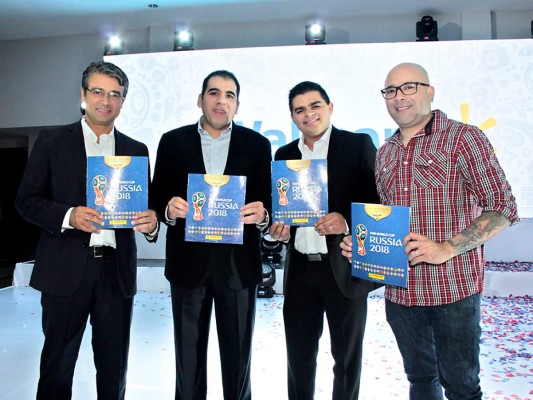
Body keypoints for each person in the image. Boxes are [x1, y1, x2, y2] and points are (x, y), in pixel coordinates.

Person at [341, 62, 519, 400]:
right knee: (420, 381)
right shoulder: (386, 152)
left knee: (462, 387)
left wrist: (447, 248)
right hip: (401, 294)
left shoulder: (464, 138)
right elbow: (385, 218)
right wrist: (361, 243)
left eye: (408, 87)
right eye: (390, 90)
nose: (398, 97)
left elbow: (503, 207)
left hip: (452, 291)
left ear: (429, 91)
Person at [15, 61, 159, 400]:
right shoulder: (52, 141)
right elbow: (27, 200)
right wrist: (69, 215)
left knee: (113, 368)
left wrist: (151, 223)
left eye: (115, 94)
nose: (105, 101)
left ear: (123, 101)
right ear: (83, 94)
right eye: (97, 92)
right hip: (65, 270)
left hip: (115, 272)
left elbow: (147, 210)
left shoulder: (136, 150)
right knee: (57, 366)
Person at [151, 70, 271, 400]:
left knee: (238, 361)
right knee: (187, 361)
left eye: (229, 95)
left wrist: (263, 214)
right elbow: (157, 194)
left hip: (239, 268)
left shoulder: (257, 144)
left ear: (237, 104)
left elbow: (269, 200)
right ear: (200, 100)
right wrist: (168, 208)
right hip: (188, 267)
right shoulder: (172, 142)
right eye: (214, 93)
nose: (221, 100)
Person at [268, 81, 380, 400]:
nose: (309, 114)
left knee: (346, 360)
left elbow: (377, 201)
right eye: (300, 109)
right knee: (299, 359)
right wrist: (279, 229)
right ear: (292, 116)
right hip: (301, 270)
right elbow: (279, 206)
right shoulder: (284, 154)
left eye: (315, 105)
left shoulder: (357, 145)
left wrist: (346, 220)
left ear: (330, 108)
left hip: (343, 268)